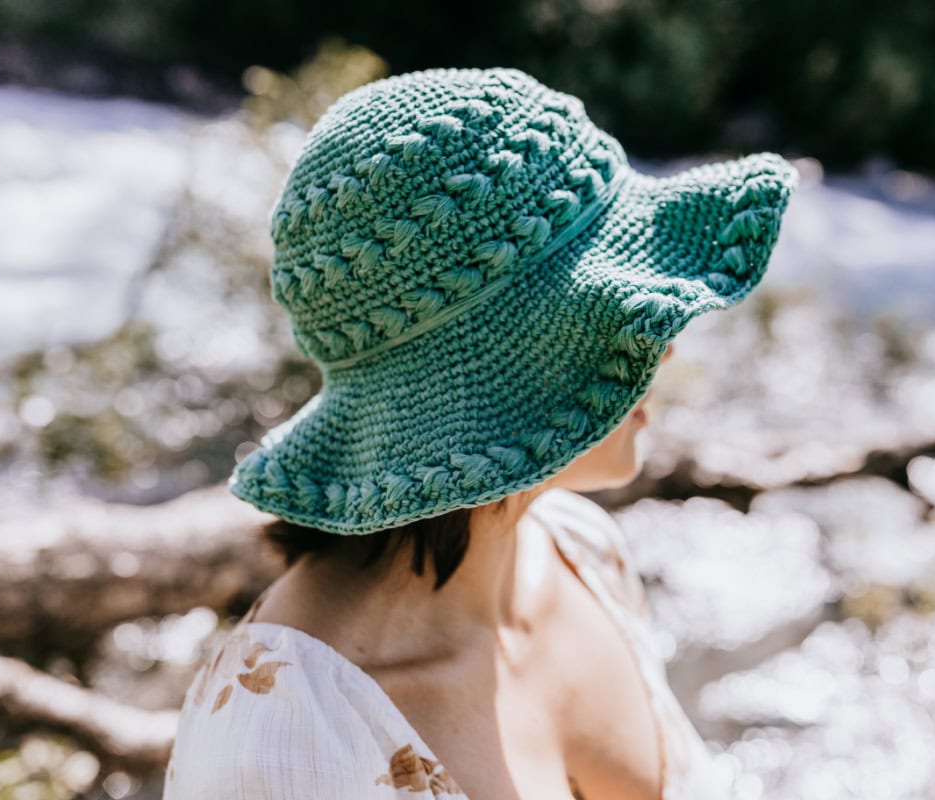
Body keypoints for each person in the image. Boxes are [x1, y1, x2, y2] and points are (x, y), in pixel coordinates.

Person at [163, 66, 797, 800]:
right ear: (510, 367)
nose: (665, 346)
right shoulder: (285, 746)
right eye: (614, 316)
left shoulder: (580, 551)